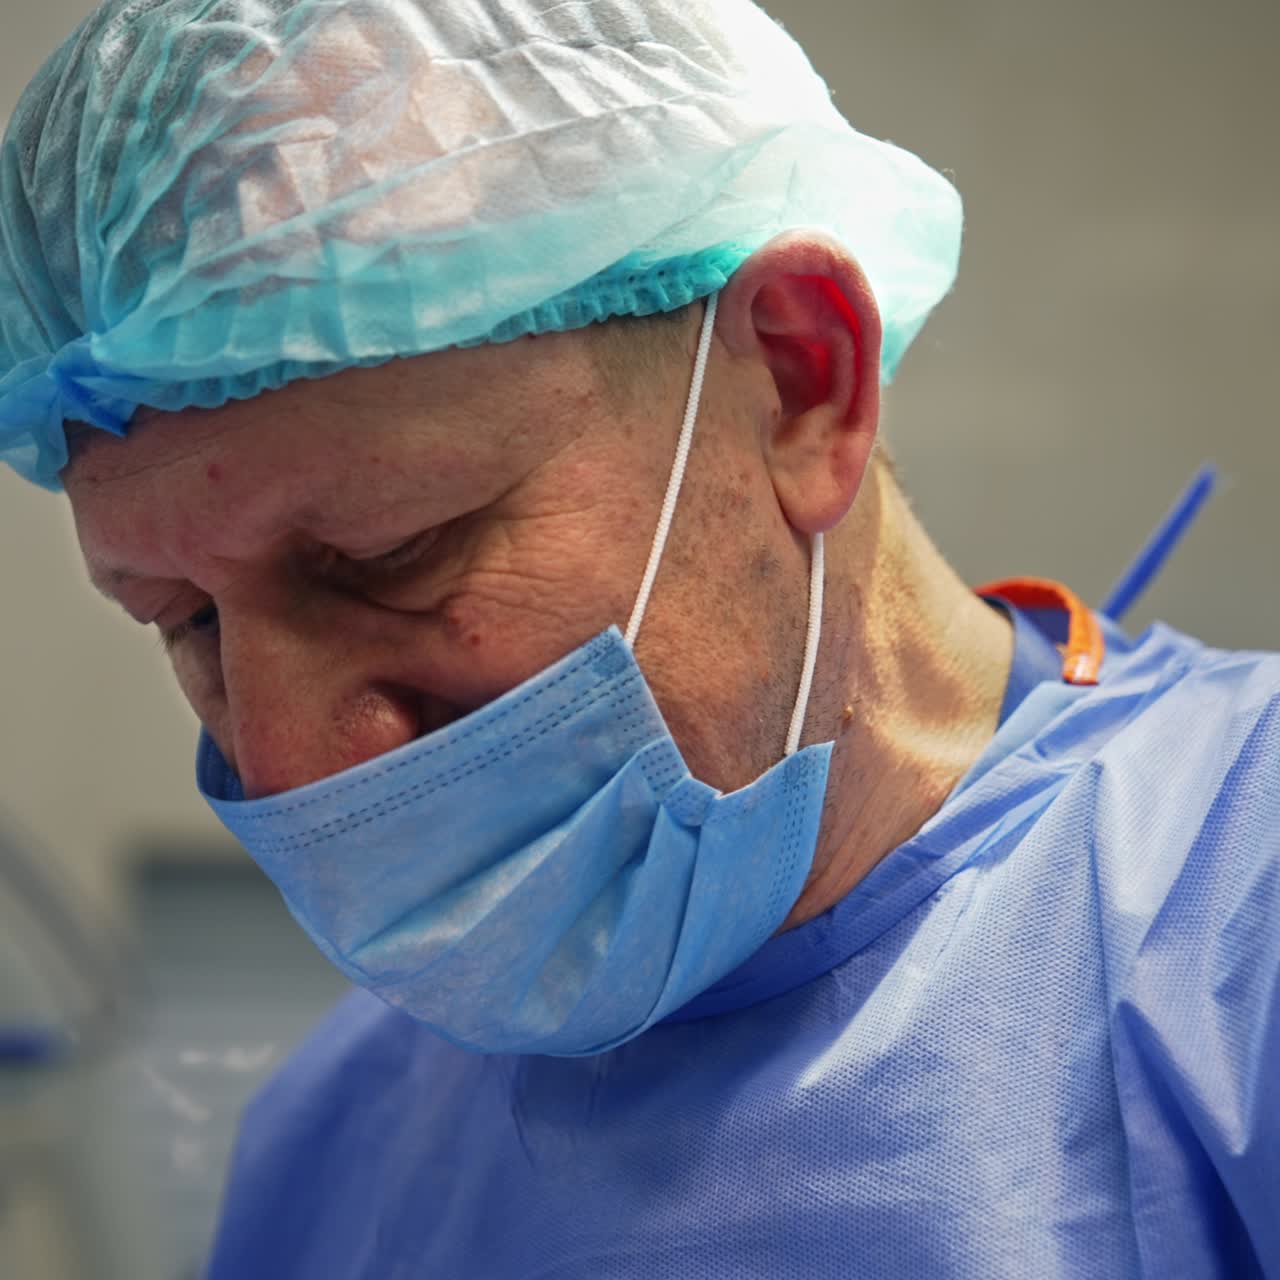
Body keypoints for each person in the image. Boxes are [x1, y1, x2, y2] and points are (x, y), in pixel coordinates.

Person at [2, 1, 1276, 1276]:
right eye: (186, 618)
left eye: (391, 552)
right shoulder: (331, 1149)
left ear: (801, 382)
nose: (289, 762)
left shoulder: (1233, 915)